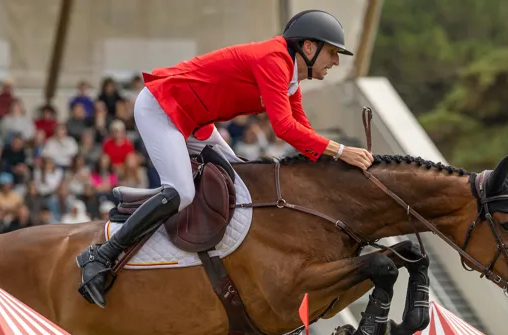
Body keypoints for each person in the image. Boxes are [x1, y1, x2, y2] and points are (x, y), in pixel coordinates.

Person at [76, 9, 376, 307]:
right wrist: (341, 150)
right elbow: (284, 128)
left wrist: (334, 163)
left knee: (244, 179)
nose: (336, 61)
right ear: (309, 47)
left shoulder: (291, 77)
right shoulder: (274, 60)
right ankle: (101, 255)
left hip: (195, 120)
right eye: (333, 52)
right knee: (181, 193)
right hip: (162, 108)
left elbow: (302, 129)